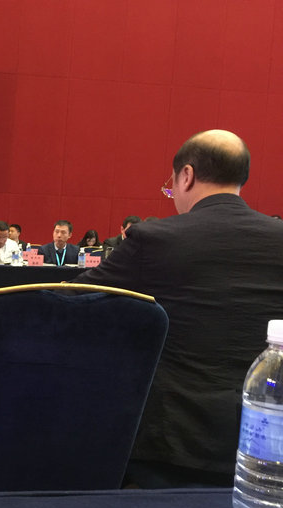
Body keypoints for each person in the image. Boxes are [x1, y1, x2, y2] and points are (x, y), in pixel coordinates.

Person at [74, 129, 283, 487]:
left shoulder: (155, 238)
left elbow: (71, 298)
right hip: (266, 445)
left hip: (172, 446)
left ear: (186, 175)